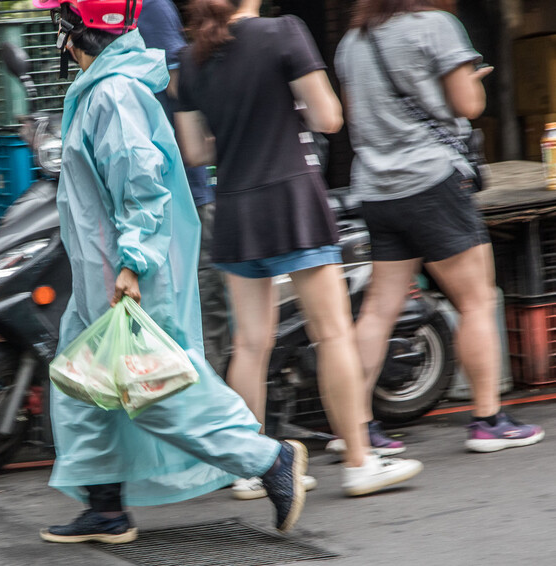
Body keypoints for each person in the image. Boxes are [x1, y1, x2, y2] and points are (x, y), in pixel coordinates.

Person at [34, 0, 308, 543]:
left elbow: (142, 184)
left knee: (157, 393)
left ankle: (269, 459)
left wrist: (133, 265)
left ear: (85, 31)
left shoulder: (113, 94)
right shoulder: (100, 89)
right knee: (87, 388)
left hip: (125, 275)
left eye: (63, 25)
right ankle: (106, 506)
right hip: (101, 275)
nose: (59, 39)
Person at [174, 0, 423, 499]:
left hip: (235, 208)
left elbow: (196, 151)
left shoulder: (186, 61)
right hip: (291, 200)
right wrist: (287, 115)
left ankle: (251, 468)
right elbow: (330, 118)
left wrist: (240, 136)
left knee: (250, 343)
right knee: (332, 335)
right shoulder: (283, 33)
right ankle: (358, 461)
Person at [335, 0, 544, 453]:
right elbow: (468, 105)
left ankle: (358, 428)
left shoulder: (352, 42)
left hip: (377, 188)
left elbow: (357, 119)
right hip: (431, 182)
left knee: (378, 310)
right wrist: (470, 78)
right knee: (477, 299)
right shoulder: (434, 26)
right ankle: (489, 421)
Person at [135, 0, 231, 379]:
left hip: (153, 184)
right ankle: (213, 405)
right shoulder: (152, 6)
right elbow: (179, 82)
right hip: (180, 185)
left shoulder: (110, 12)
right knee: (206, 305)